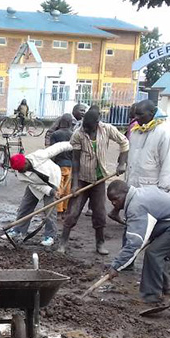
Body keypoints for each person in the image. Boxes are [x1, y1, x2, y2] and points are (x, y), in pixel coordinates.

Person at [105, 180, 170, 304]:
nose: (114, 203)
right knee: (160, 253)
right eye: (111, 201)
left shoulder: (136, 206)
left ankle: (152, 296)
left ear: (125, 192)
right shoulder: (139, 194)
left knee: (154, 253)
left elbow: (135, 242)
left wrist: (116, 266)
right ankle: (165, 289)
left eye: (116, 199)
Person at [58, 108, 130, 255]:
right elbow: (75, 160)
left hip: (99, 180)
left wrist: (121, 163)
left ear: (97, 123)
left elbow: (125, 143)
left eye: (89, 128)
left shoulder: (107, 129)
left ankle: (100, 243)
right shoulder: (78, 134)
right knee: (73, 212)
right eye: (85, 127)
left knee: (99, 213)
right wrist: (75, 184)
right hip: (82, 179)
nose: (86, 130)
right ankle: (63, 243)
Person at [7, 142, 68, 246]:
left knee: (49, 210)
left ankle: (50, 236)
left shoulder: (38, 156)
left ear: (25, 162)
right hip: (35, 185)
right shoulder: (21, 174)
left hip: (52, 179)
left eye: (22, 169)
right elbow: (37, 186)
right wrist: (51, 192)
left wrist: (72, 145)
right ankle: (18, 230)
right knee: (25, 206)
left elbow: (56, 148)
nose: (21, 172)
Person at [119, 99, 170, 194]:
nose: (136, 118)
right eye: (135, 114)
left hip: (153, 190)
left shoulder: (165, 133)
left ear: (152, 113)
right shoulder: (135, 131)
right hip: (133, 188)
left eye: (140, 114)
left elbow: (168, 165)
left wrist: (164, 191)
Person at [48, 113, 75, 215]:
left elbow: (52, 151)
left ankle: (58, 210)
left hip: (58, 165)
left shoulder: (55, 134)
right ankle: (65, 209)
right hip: (70, 164)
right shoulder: (73, 134)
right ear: (69, 123)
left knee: (59, 187)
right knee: (67, 188)